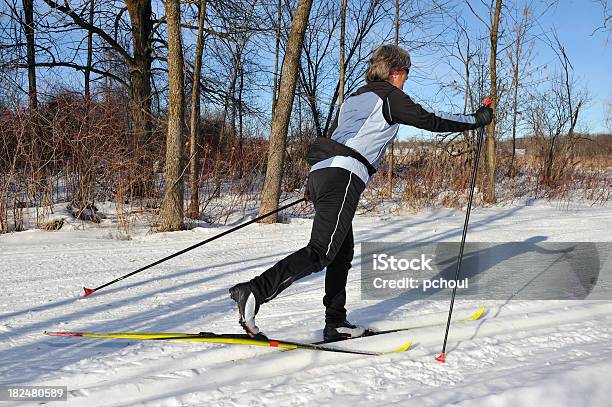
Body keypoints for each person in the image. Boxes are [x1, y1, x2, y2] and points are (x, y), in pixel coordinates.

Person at [229, 44, 493, 341]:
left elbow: (340, 138)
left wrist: (314, 187)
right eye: (406, 73)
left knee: (341, 252)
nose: (406, 79)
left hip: (323, 173)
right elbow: (430, 119)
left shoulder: (354, 98)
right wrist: (476, 119)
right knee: (322, 252)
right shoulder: (390, 97)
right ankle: (254, 291)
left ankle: (336, 323)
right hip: (343, 176)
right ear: (395, 72)